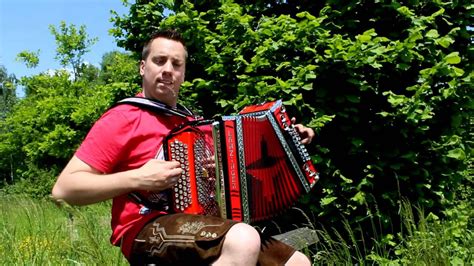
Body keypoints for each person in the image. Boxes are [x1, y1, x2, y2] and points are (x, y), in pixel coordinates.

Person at [52, 29, 315, 265]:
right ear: (143, 68)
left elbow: (246, 174)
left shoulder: (195, 125)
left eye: (176, 64)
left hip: (204, 226)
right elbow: (65, 189)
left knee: (297, 263)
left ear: (184, 74)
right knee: (243, 239)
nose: (168, 69)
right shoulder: (123, 117)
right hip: (143, 227)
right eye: (159, 60)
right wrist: (137, 178)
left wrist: (288, 141)